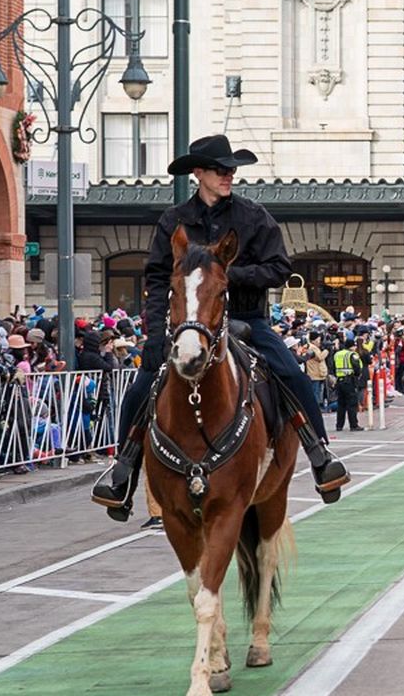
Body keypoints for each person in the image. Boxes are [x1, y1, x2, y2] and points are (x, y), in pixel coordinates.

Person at [91, 134, 349, 520]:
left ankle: (320, 454)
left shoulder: (253, 216)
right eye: (219, 169)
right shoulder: (173, 221)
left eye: (231, 169)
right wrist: (155, 336)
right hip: (186, 326)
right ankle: (123, 470)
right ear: (199, 173)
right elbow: (159, 280)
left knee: (290, 373)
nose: (228, 175)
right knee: (143, 384)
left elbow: (280, 267)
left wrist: (226, 276)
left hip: (246, 319)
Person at [331, 336, 366, 432]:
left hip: (339, 380)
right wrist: (357, 376)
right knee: (351, 403)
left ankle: (339, 425)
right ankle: (353, 425)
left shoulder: (337, 354)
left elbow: (333, 368)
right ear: (351, 346)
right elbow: (357, 368)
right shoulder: (352, 355)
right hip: (349, 381)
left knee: (341, 404)